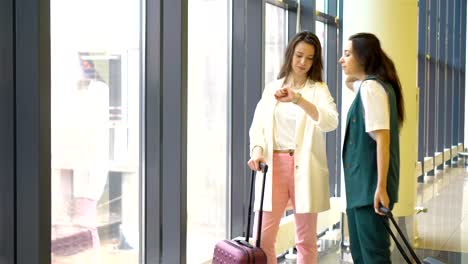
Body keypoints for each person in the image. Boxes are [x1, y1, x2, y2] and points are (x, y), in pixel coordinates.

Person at [247, 31, 339, 264]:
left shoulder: (318, 89)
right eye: (299, 55)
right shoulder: (272, 88)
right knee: (262, 238)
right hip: (273, 167)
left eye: (309, 58)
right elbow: (258, 126)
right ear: (290, 55)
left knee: (305, 240)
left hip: (304, 168)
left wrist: (299, 99)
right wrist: (257, 149)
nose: (303, 63)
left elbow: (330, 121)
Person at [339, 32, 405, 263]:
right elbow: (353, 85)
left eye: (347, 54)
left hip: (369, 189)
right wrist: (350, 79)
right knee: (363, 254)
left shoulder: (371, 89)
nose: (341, 60)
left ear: (364, 57)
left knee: (373, 256)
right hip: (362, 188)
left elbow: (383, 139)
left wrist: (381, 188)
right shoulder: (374, 86)